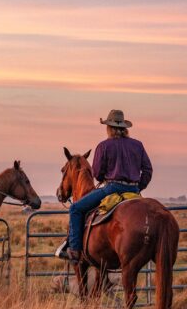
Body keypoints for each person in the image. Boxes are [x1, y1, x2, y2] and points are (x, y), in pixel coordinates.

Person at [62, 109, 153, 264]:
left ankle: (75, 250)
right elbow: (148, 170)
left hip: (111, 188)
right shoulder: (138, 145)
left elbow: (97, 173)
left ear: (109, 128)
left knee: (75, 209)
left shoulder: (104, 146)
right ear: (124, 128)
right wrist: (138, 188)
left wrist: (108, 176)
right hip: (133, 191)